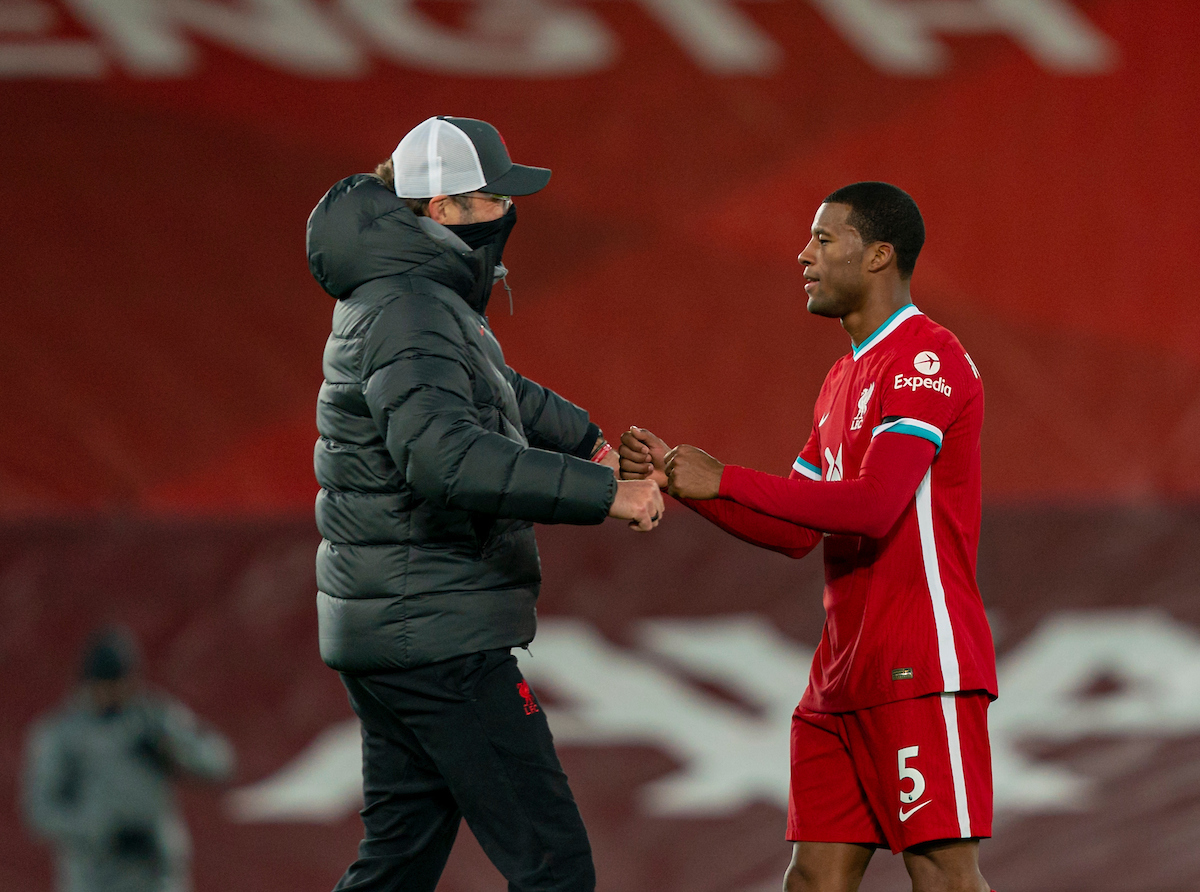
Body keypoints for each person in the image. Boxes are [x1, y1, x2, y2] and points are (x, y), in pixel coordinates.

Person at [306, 115, 663, 892]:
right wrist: (608, 495)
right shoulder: (410, 306)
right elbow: (447, 458)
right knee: (553, 867)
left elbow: (493, 392)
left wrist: (591, 441)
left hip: (395, 623)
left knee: (397, 862)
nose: (505, 214)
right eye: (488, 198)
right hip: (438, 630)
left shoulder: (404, 293)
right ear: (440, 210)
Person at [620, 183, 998, 892]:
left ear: (880, 254)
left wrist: (724, 477)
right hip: (839, 678)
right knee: (813, 881)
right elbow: (796, 528)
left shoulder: (926, 359)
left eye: (824, 239)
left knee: (944, 876)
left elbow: (876, 506)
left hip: (917, 663)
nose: (804, 254)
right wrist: (685, 483)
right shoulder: (841, 378)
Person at [21, 626, 235, 892]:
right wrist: (98, 828)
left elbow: (218, 761)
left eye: (119, 685)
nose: (112, 695)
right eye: (104, 686)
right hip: (94, 876)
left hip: (155, 871)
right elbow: (41, 812)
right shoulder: (63, 736)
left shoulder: (153, 718)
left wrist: (173, 751)